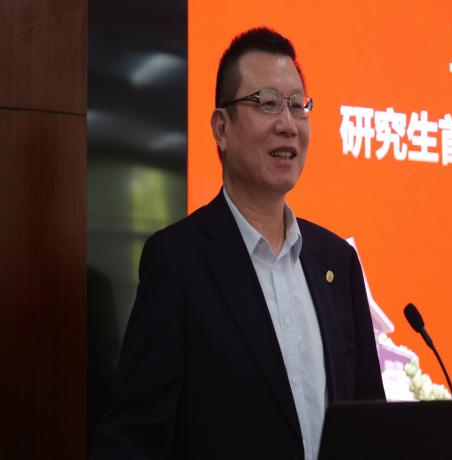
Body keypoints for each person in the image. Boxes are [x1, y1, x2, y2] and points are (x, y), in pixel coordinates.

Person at [90, 27, 385, 460]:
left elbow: (373, 426)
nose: (288, 125)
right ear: (221, 128)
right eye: (267, 103)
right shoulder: (178, 262)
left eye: (298, 105)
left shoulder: (337, 262)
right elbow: (133, 439)